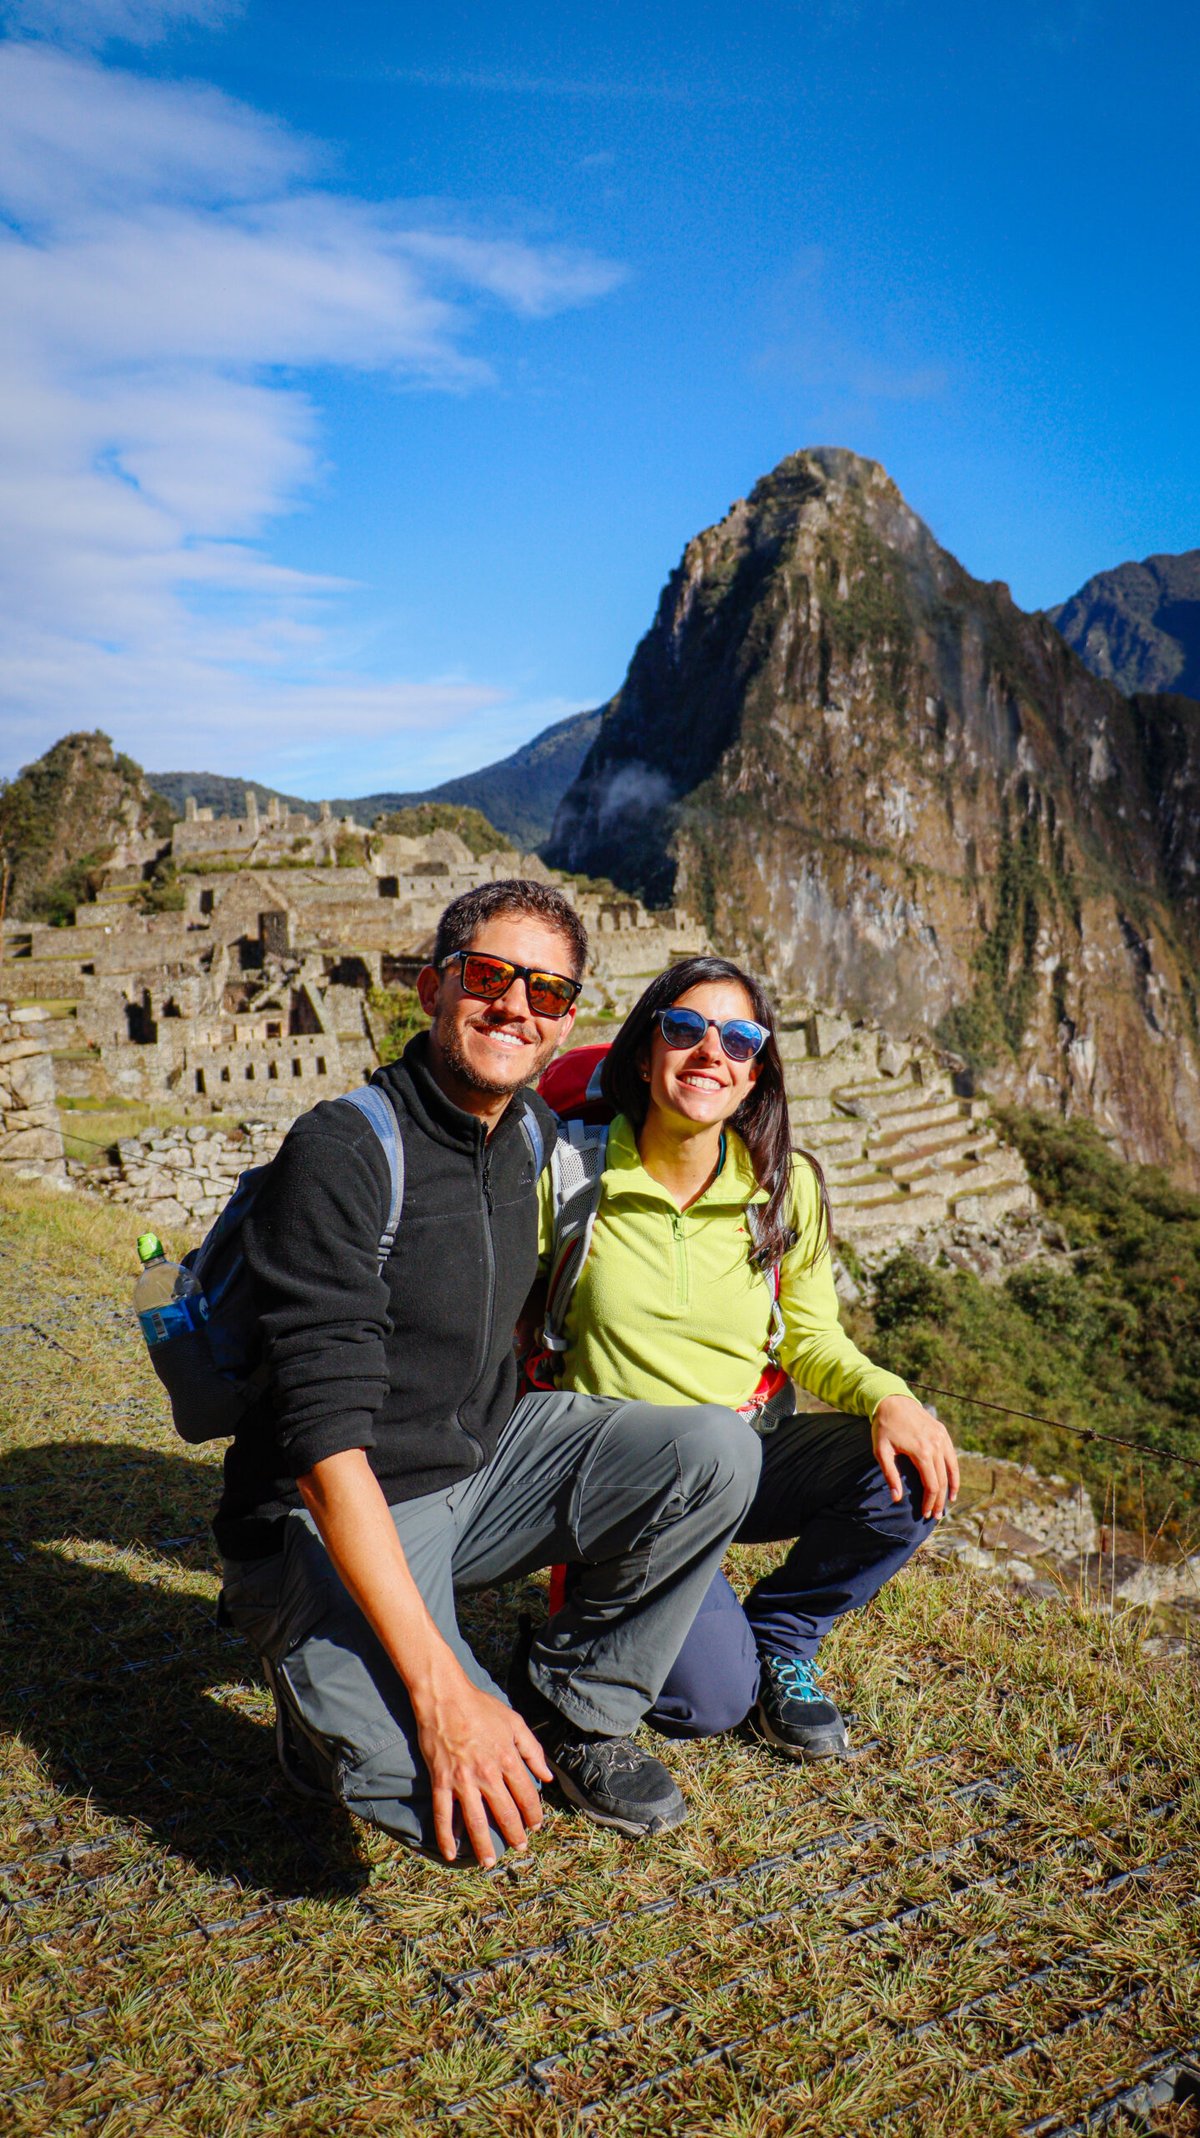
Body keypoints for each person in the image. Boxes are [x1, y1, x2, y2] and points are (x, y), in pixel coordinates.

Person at [214, 883, 761, 1867]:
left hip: (482, 1463)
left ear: (567, 1022)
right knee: (460, 1813)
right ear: (432, 986)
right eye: (488, 975)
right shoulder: (345, 1152)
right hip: (340, 1503)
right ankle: (318, 1683)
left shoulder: (530, 1142)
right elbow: (324, 1452)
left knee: (714, 1449)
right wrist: (443, 1694)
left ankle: (578, 1705)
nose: (516, 1005)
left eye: (546, 991)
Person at [535, 956, 959, 1757]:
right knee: (708, 1703)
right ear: (643, 1050)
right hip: (624, 1480)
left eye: (738, 1039)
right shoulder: (571, 1176)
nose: (710, 1053)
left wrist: (889, 1396)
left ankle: (784, 1633)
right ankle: (601, 1620)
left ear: (756, 1071)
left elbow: (809, 1334)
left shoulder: (783, 1185)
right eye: (685, 1029)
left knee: (908, 1471)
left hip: (746, 1454)